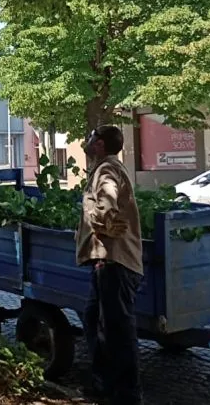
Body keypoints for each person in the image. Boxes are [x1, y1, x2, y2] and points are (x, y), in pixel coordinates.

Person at [78, 125, 143, 405]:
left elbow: (105, 206)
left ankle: (126, 395)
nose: (87, 141)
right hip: (107, 260)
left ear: (101, 144)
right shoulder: (109, 167)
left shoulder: (106, 171)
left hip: (113, 260)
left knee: (116, 330)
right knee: (95, 318)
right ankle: (103, 384)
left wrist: (96, 212)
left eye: (92, 137)